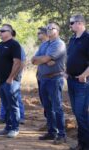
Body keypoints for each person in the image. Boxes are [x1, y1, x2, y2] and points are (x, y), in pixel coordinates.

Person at [31, 22, 66, 144]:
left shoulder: (60, 44)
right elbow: (33, 60)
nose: (49, 30)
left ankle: (61, 134)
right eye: (48, 28)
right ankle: (52, 132)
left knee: (57, 107)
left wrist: (43, 59)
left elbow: (42, 59)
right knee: (47, 107)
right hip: (43, 79)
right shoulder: (44, 44)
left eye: (52, 28)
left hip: (55, 79)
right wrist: (46, 60)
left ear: (58, 31)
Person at [0, 24, 22, 138]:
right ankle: (8, 127)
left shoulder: (14, 45)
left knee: (13, 105)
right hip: (0, 81)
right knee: (6, 105)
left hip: (11, 81)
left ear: (10, 32)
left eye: (2, 31)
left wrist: (10, 78)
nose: (0, 33)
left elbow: (17, 62)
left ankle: (15, 128)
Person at [66, 14, 89, 150]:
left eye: (72, 23)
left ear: (80, 23)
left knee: (81, 113)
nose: (70, 25)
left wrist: (84, 75)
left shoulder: (88, 39)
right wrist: (66, 72)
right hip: (71, 80)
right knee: (77, 113)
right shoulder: (72, 39)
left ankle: (85, 145)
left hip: (82, 83)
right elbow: (71, 57)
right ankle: (81, 144)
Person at [34, 27, 49, 125]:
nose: (38, 34)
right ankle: (49, 123)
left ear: (46, 34)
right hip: (40, 76)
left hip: (49, 77)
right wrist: (40, 59)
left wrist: (41, 59)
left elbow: (47, 59)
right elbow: (34, 60)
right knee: (44, 100)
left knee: (49, 101)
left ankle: (53, 125)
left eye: (40, 33)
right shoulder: (42, 45)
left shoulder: (50, 45)